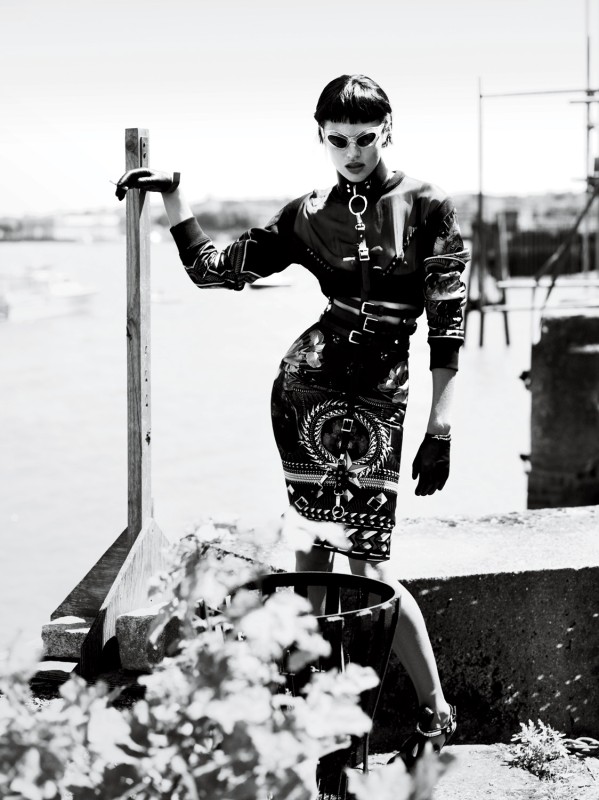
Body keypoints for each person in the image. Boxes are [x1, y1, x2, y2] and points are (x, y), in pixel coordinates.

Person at [116, 73, 468, 768]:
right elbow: (214, 271)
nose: (352, 152)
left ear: (388, 131)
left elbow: (448, 325)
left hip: (381, 398)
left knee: (368, 565)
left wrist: (441, 427)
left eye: (365, 138)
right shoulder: (306, 214)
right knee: (310, 559)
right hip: (306, 391)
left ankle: (435, 713)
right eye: (338, 140)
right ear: (321, 138)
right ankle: (319, 718)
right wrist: (175, 200)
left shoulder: (429, 205)